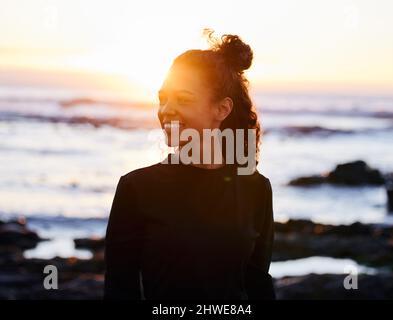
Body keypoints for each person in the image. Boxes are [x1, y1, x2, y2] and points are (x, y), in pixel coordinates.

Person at [104, 30, 276, 300]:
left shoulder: (257, 189)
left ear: (222, 109)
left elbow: (258, 285)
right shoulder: (136, 188)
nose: (166, 110)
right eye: (163, 99)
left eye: (183, 99)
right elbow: (119, 291)